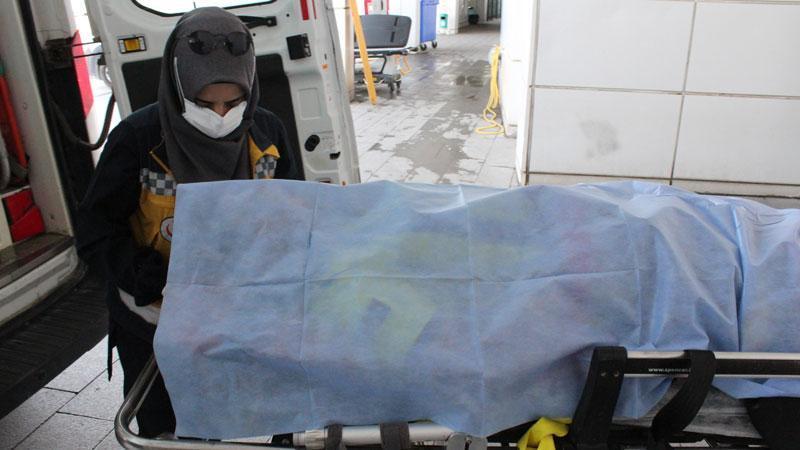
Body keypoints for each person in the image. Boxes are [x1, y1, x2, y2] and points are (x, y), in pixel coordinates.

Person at [77, 7, 302, 437]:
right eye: (204, 103)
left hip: (243, 316)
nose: (220, 115)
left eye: (232, 103)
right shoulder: (139, 139)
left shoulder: (266, 134)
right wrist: (134, 271)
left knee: (252, 412)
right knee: (166, 427)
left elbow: (294, 212)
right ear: (179, 87)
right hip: (155, 323)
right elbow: (94, 228)